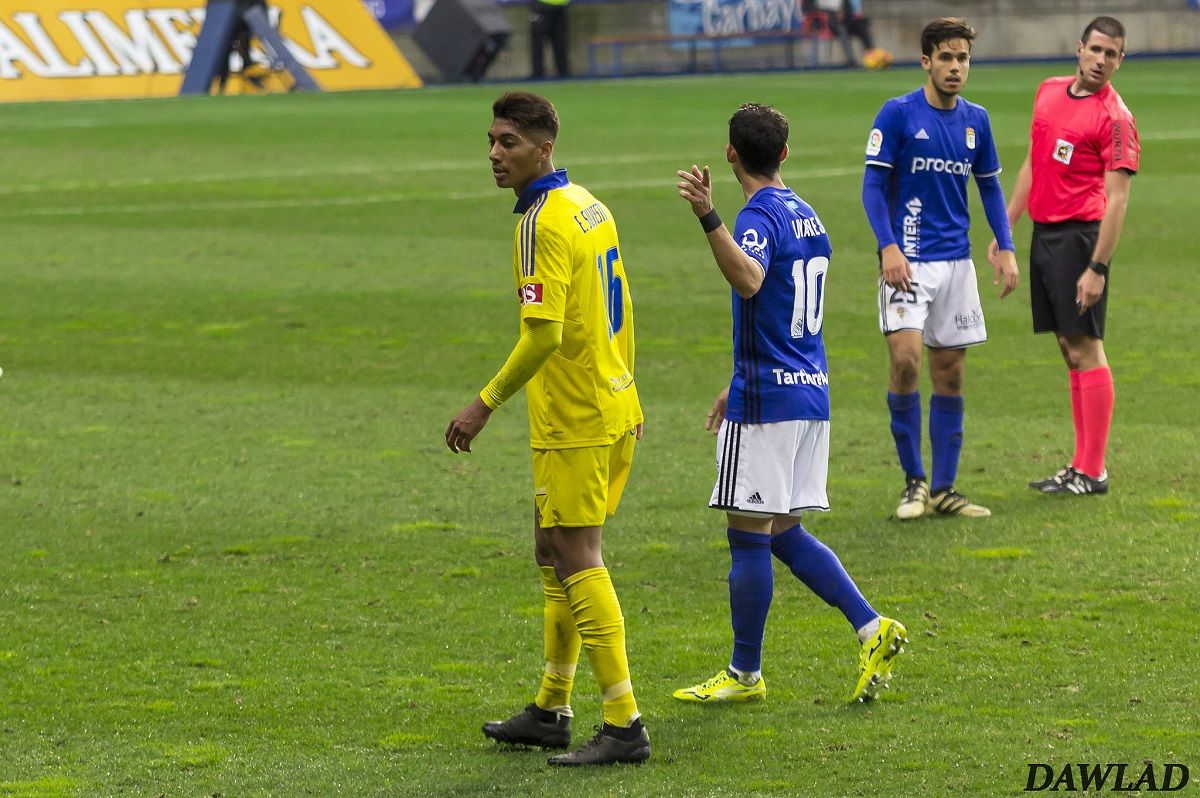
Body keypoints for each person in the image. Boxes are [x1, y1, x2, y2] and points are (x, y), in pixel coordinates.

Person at [672, 103, 908, 705]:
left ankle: (744, 674)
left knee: (748, 533)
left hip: (768, 400)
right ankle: (871, 627)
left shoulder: (756, 216)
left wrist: (707, 215)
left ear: (731, 153)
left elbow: (750, 279)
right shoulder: (806, 212)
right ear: (783, 153)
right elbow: (782, 304)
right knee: (782, 531)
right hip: (808, 390)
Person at [444, 91, 649, 765]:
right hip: (609, 402)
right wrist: (627, 387)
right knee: (550, 547)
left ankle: (623, 722)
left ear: (544, 148)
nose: (494, 154)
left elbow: (543, 336)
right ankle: (551, 707)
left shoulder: (540, 222)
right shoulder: (589, 204)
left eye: (508, 142)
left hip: (576, 417)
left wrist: (483, 403)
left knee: (577, 554)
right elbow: (620, 307)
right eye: (491, 141)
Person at [861, 17, 1019, 520]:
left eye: (963, 58)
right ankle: (914, 482)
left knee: (949, 374)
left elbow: (989, 186)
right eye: (946, 58)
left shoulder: (977, 121)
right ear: (926, 61)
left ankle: (945, 490)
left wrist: (1007, 246)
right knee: (906, 361)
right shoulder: (898, 114)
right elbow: (872, 186)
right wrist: (888, 247)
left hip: (956, 264)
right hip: (906, 262)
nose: (955, 67)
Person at [990, 16, 1139, 497]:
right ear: (1079, 48)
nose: (1101, 60)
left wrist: (1097, 267)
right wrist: (1005, 226)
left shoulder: (1116, 118)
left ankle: (1093, 471)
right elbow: (1033, 163)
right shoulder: (1048, 90)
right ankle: (1080, 465)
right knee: (1068, 348)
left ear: (1120, 60)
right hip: (1045, 235)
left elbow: (1117, 199)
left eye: (1111, 54)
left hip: (1080, 238)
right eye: (1095, 49)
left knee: (1086, 349)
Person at [530, 0, 570, 79]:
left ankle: (563, 73)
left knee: (559, 43)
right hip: (545, 7)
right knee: (558, 43)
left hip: (553, 7)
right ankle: (562, 73)